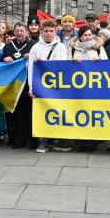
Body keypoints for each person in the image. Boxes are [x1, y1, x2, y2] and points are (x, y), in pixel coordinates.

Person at [28, 19, 69, 152]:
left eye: (51, 31)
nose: (48, 33)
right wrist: (31, 87)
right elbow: (31, 69)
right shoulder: (35, 48)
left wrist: (45, 63)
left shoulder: (61, 47)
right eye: (46, 31)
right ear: (41, 31)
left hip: (56, 86)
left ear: (56, 31)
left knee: (56, 112)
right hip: (40, 86)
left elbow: (61, 65)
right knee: (41, 112)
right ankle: (43, 141)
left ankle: (57, 139)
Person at [2, 22, 34, 149]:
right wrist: (5, 59)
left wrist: (31, 56)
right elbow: (2, 63)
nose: (20, 33)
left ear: (26, 32)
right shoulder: (8, 46)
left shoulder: (33, 45)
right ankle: (18, 140)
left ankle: (30, 141)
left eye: (22, 31)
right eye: (17, 31)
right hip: (14, 86)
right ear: (14, 32)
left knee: (29, 114)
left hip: (28, 85)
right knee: (17, 115)